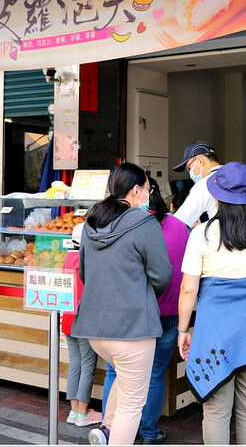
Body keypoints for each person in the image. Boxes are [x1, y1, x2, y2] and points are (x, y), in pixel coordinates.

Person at [177, 162, 246, 445]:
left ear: (216, 196)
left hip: (215, 333)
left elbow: (189, 289)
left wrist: (182, 330)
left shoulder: (202, 234)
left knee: (215, 411)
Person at [70, 163, 172, 446]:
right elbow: (162, 275)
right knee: (132, 404)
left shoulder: (91, 222)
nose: (148, 195)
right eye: (148, 190)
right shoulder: (145, 224)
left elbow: (84, 273)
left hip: (95, 327)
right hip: (132, 329)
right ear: (136, 190)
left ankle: (106, 431)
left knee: (123, 384)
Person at [102, 177, 188, 444]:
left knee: (115, 371)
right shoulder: (178, 226)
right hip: (169, 310)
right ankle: (148, 433)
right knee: (153, 373)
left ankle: (110, 431)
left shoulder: (123, 224)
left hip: (127, 312)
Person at [62, 223, 103, 427]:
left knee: (74, 363)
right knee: (87, 365)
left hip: (67, 318)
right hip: (84, 318)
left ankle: (73, 411)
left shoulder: (68, 257)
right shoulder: (87, 259)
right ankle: (84, 412)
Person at [171, 140, 222, 228]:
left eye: (189, 168)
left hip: (218, 240)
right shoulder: (237, 178)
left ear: (200, 161)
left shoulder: (204, 185)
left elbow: (178, 223)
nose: (190, 174)